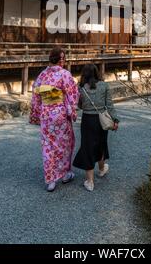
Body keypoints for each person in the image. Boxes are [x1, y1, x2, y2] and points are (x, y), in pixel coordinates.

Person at [30, 47, 79, 192]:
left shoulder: (42, 75)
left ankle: (50, 180)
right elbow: (72, 94)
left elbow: (36, 97)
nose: (64, 61)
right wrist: (73, 111)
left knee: (48, 146)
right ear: (61, 59)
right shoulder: (65, 74)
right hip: (60, 115)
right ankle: (64, 174)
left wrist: (36, 114)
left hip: (46, 115)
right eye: (63, 59)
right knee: (64, 145)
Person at [73, 64, 119, 192]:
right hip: (102, 120)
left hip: (88, 120)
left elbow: (80, 106)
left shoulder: (81, 88)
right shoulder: (104, 86)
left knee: (88, 147)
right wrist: (115, 119)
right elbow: (109, 105)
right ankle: (102, 169)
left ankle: (90, 181)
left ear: (84, 74)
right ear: (97, 73)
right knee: (101, 144)